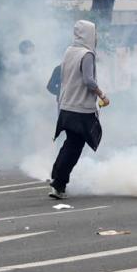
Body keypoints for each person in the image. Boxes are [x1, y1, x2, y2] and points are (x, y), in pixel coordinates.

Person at [48, 20, 110, 200]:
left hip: (66, 106)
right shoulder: (87, 54)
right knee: (74, 147)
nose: (96, 37)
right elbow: (89, 81)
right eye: (95, 33)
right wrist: (103, 95)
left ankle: (57, 176)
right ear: (89, 34)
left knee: (70, 143)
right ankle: (59, 184)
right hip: (80, 109)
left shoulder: (69, 51)